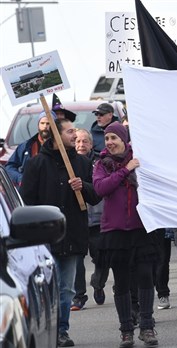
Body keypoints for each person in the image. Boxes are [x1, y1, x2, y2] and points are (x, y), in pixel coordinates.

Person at [20, 117, 100, 347]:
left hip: (72, 235)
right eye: (69, 131)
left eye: (75, 131)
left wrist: (82, 187)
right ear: (56, 135)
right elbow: (27, 202)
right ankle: (44, 331)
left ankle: (61, 331)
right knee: (45, 290)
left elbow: (96, 194)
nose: (74, 135)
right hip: (44, 240)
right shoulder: (36, 164)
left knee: (66, 289)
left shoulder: (83, 163)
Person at [92, 122, 159, 347]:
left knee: (145, 276)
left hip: (141, 229)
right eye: (107, 138)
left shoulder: (139, 159)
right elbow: (101, 189)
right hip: (115, 232)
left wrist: (134, 166)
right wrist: (125, 169)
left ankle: (147, 326)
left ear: (124, 140)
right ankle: (126, 330)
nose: (110, 142)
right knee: (121, 282)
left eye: (114, 138)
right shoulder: (102, 164)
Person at [71, 129, 107, 310]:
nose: (80, 145)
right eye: (77, 141)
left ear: (91, 144)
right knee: (77, 259)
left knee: (101, 256)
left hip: (98, 219)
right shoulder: (68, 163)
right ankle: (79, 296)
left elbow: (100, 188)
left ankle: (98, 283)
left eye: (84, 141)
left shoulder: (100, 163)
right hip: (77, 220)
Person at [6, 111, 54, 186]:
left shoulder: (62, 147)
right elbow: (9, 167)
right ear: (38, 125)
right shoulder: (26, 146)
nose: (45, 126)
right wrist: (20, 178)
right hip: (29, 192)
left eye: (48, 123)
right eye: (42, 123)